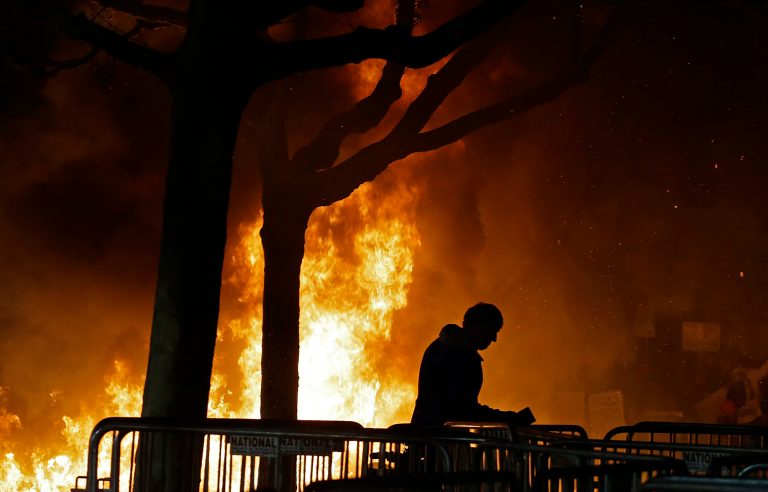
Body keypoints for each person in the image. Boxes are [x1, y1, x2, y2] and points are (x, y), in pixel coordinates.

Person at [411, 302, 535, 427]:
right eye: (493, 330)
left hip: (429, 436)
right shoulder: (460, 356)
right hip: (438, 437)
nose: (494, 338)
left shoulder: (444, 346)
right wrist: (511, 419)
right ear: (477, 326)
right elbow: (462, 410)